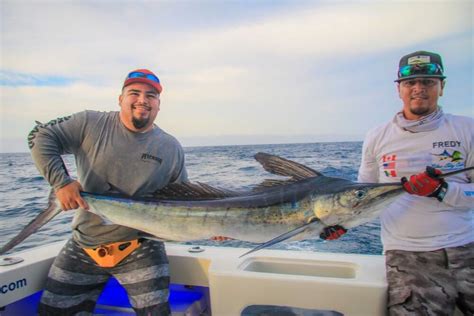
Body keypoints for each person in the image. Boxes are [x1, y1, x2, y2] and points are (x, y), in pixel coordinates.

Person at [28, 69, 188, 315]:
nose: (142, 100)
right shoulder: (90, 122)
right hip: (84, 243)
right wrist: (61, 183)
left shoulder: (171, 147)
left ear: (158, 104)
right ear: (120, 99)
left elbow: (184, 200)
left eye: (151, 95)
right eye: (134, 93)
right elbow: (39, 136)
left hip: (142, 245)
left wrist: (219, 226)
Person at [356, 51, 473, 315]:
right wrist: (334, 223)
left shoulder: (468, 129)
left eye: (428, 82)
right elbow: (363, 194)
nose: (419, 89)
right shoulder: (377, 136)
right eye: (410, 83)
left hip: (467, 247)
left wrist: (443, 190)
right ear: (399, 89)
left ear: (442, 87)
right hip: (407, 256)